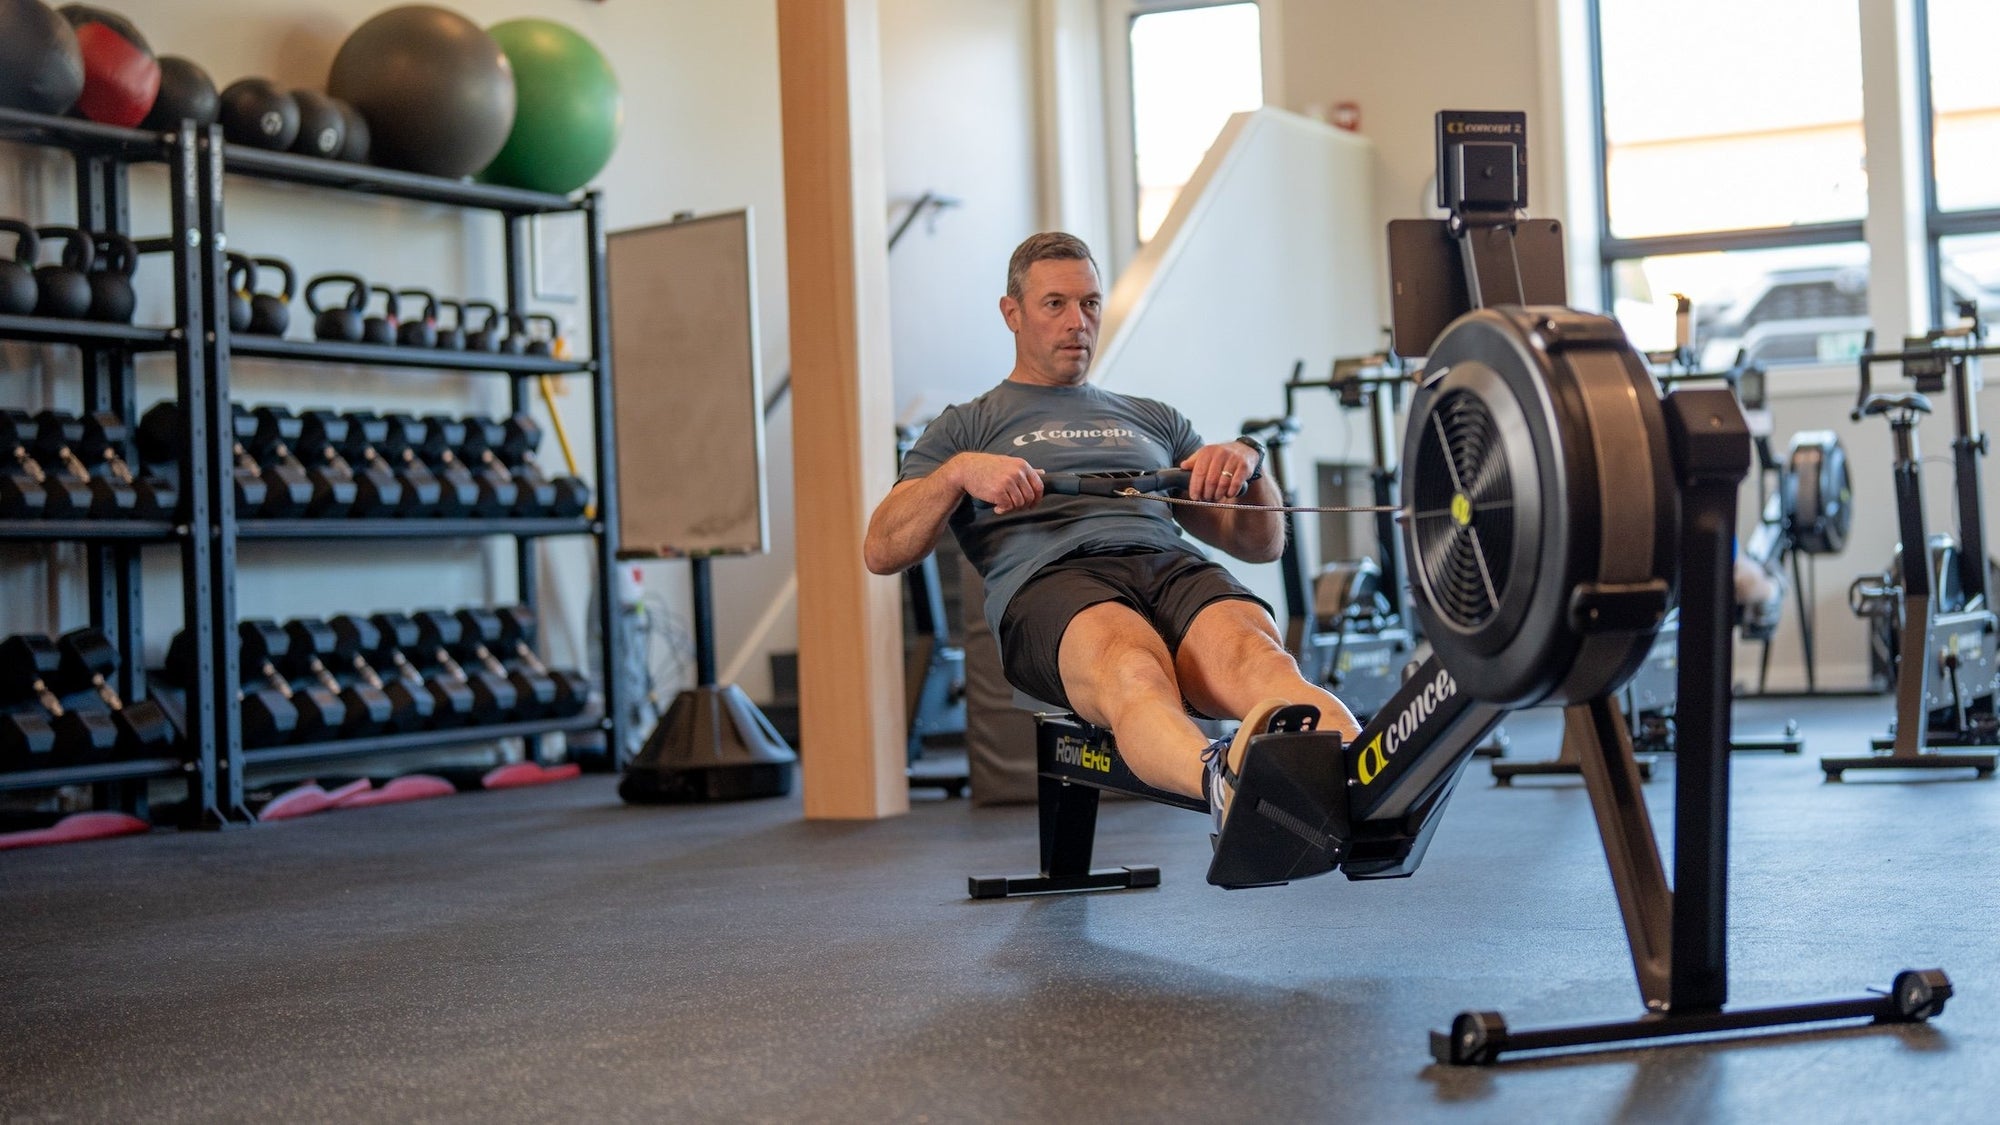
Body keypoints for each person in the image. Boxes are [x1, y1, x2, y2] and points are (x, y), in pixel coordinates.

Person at [863, 231, 1358, 840]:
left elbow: (1259, 543)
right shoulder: (967, 425)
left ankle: (1360, 781)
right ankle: (1226, 787)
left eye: (1091, 303)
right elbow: (882, 549)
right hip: (1052, 581)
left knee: (1257, 658)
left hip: (1168, 563)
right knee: (1132, 668)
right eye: (1055, 305)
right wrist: (959, 471)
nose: (1078, 322)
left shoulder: (1153, 417)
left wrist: (1249, 466)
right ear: (1011, 312)